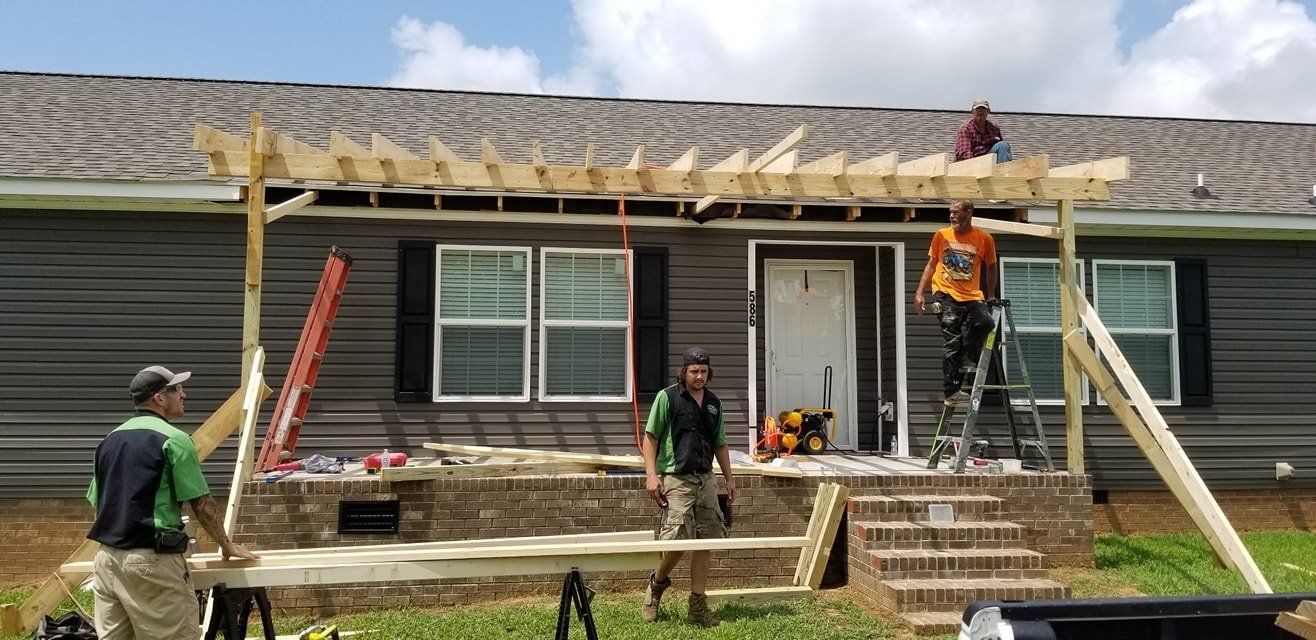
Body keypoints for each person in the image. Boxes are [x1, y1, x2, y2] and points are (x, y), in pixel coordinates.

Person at [87, 366, 258, 640]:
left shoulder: (109, 441)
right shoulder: (175, 440)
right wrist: (226, 544)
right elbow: (202, 504)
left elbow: (98, 503)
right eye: (177, 389)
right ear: (159, 398)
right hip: (152, 563)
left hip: (106, 562)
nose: (184, 394)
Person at [640, 347, 735, 627]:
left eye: (704, 371)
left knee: (705, 542)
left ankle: (697, 607)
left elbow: (720, 442)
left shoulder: (714, 403)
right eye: (694, 371)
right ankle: (657, 585)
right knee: (677, 542)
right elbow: (650, 437)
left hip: (706, 479)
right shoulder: (667, 397)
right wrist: (651, 475)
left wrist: (729, 478)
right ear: (684, 372)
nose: (699, 376)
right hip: (676, 479)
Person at [914, 201, 998, 403]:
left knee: (986, 323)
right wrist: (919, 293)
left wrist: (991, 295)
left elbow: (991, 267)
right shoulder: (941, 235)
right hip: (945, 293)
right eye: (950, 213)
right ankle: (951, 391)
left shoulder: (984, 238)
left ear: (969, 213)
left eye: (956, 213)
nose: (951, 217)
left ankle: (963, 355)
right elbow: (932, 264)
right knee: (951, 338)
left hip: (971, 295)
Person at [955, 98, 1012, 163]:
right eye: (977, 109)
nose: (980, 111)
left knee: (1003, 145)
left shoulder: (994, 128)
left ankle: (1004, 171)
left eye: (983, 109)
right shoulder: (965, 128)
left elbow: (1002, 151)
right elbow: (965, 153)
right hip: (972, 163)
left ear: (988, 111)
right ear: (972, 111)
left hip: (989, 162)